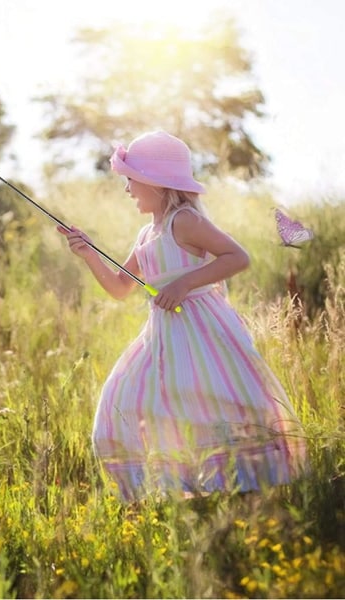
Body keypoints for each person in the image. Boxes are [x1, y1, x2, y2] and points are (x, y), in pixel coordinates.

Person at [58, 130, 307, 501]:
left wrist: (184, 284)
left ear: (155, 183)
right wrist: (90, 254)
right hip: (162, 337)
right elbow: (119, 287)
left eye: (131, 180)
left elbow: (238, 257)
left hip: (202, 332)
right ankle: (171, 485)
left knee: (211, 399)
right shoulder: (146, 235)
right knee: (123, 396)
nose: (127, 190)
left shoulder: (184, 221)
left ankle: (244, 489)